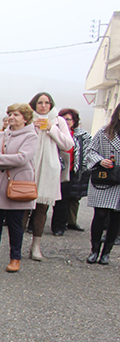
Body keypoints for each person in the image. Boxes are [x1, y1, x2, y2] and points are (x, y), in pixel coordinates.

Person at [0, 104, 38, 273]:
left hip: (16, 187)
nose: (11, 117)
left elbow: (22, 159)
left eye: (16, 114)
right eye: (10, 114)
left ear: (25, 118)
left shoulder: (31, 136)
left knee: (16, 226)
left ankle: (15, 258)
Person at [25, 92, 73, 260]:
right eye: (40, 102)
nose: (43, 105)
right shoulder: (28, 118)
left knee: (42, 208)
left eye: (47, 102)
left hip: (49, 169)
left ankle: (36, 246)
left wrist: (51, 128)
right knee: (23, 207)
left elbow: (68, 144)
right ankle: (15, 246)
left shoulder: (59, 121)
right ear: (34, 104)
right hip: (29, 167)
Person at [83, 104, 120, 265]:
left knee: (116, 218)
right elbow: (90, 151)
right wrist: (100, 160)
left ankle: (106, 253)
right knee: (100, 215)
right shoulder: (104, 132)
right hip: (104, 179)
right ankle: (94, 250)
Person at [51, 108, 92, 234]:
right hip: (53, 169)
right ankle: (34, 226)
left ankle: (59, 227)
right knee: (46, 199)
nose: (66, 122)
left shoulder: (81, 135)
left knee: (64, 200)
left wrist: (83, 169)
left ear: (74, 121)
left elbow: (87, 152)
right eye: (63, 119)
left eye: (68, 119)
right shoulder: (53, 132)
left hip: (70, 171)